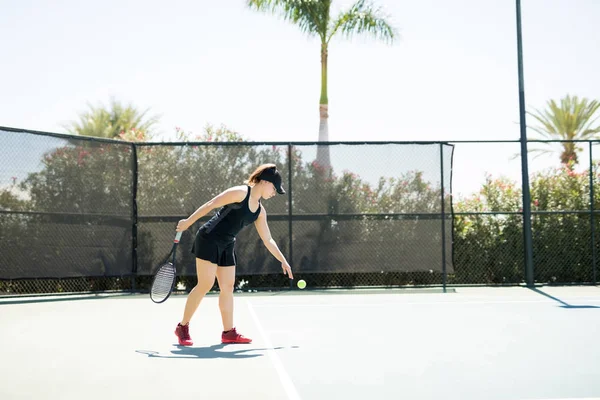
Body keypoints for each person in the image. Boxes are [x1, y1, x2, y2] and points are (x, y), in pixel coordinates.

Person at [173, 163, 293, 346]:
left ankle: (228, 332)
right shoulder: (240, 193)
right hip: (209, 238)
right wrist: (188, 222)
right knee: (205, 284)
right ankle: (182, 327)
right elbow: (211, 204)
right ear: (265, 182)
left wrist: (283, 261)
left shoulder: (260, 212)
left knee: (227, 287)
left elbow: (268, 239)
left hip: (227, 243)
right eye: (274, 189)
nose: (274, 193)